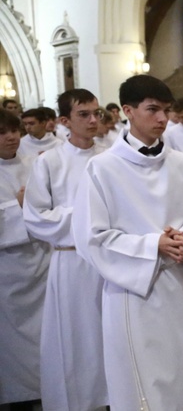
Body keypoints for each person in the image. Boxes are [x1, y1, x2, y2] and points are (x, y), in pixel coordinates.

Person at [72, 74, 183, 411]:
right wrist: (153, 245)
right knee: (142, 379)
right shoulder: (103, 168)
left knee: (182, 371)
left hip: (177, 286)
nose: (163, 119)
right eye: (153, 110)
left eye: (166, 110)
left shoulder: (181, 164)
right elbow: (91, 237)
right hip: (132, 292)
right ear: (127, 111)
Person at [23, 89, 109, 411]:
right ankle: (83, 402)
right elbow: (35, 218)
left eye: (96, 113)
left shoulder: (109, 156)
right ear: (63, 121)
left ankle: (116, 397)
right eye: (83, 114)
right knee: (77, 338)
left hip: (107, 260)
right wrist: (83, 214)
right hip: (71, 259)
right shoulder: (49, 162)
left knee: (108, 334)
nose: (92, 120)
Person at [0, 108, 50, 409]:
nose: (11, 137)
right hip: (9, 271)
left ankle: (51, 388)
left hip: (42, 262)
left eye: (14, 130)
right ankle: (18, 398)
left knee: (46, 336)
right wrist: (18, 206)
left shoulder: (35, 164)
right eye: (3, 133)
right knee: (15, 344)